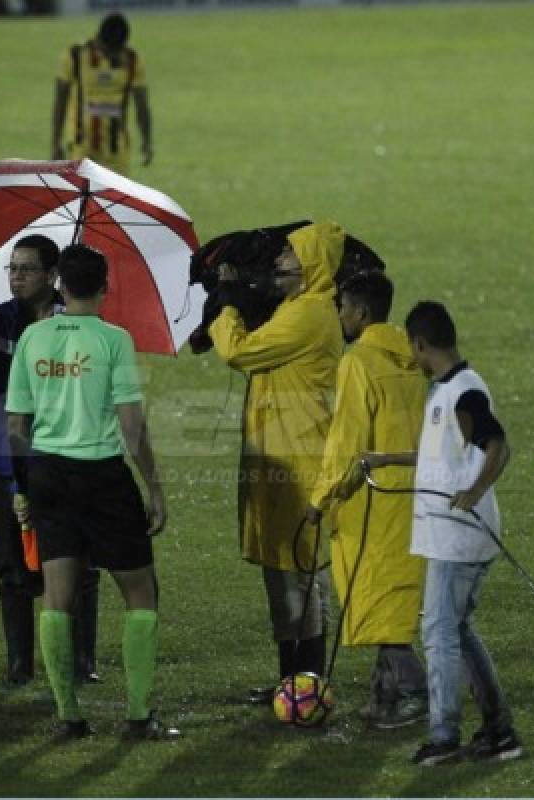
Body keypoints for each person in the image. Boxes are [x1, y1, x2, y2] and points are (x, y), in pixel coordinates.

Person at [6, 243, 179, 740]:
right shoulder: (114, 340)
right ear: (105, 287)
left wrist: (25, 486)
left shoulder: (32, 338)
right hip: (101, 476)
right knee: (142, 593)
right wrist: (155, 487)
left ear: (59, 282)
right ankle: (139, 715)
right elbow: (132, 426)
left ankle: (68, 717)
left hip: (47, 475)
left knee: (57, 597)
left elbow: (16, 425)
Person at [364, 301, 522, 766]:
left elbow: (498, 445)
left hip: (457, 537)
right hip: (453, 536)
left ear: (420, 344)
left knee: (437, 632)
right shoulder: (447, 391)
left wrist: (473, 492)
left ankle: (444, 735)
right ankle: (499, 732)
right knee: (457, 630)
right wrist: (386, 459)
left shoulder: (465, 392)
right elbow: (441, 457)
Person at [0, 234, 102, 687]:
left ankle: (80, 661)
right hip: (3, 460)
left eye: (27, 269)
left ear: (54, 275)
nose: (16, 277)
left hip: (63, 459)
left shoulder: (77, 324)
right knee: (11, 565)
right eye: (12, 268)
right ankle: (19, 665)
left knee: (78, 563)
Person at [209, 221, 343, 702]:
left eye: (289, 257)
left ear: (310, 267)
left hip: (298, 462)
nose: (279, 263)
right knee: (282, 577)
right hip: (279, 458)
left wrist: (227, 304)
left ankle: (306, 686)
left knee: (299, 577)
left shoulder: (308, 315)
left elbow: (238, 352)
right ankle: (292, 685)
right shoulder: (295, 308)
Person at [304, 271, 429, 729]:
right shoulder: (413, 359)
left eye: (343, 308)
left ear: (359, 312)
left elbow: (346, 440)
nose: (340, 315)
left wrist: (320, 497)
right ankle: (384, 699)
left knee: (374, 598)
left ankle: (418, 691)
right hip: (415, 492)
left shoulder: (358, 362)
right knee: (391, 597)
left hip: (374, 497)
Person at [51, 12, 153, 173]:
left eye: (117, 50)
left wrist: (147, 141)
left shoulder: (132, 59)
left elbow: (142, 103)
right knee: (84, 196)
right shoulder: (75, 55)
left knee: (116, 198)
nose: (113, 55)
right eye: (109, 51)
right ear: (99, 40)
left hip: (117, 148)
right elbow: (60, 100)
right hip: (81, 146)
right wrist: (55, 142)